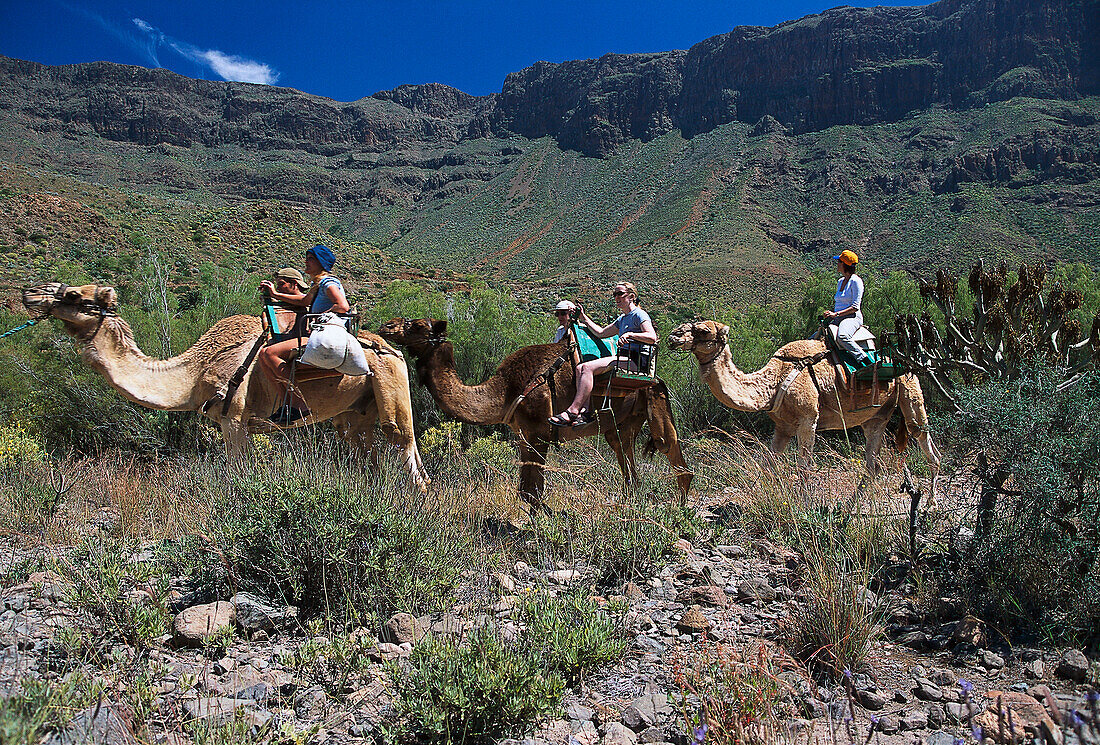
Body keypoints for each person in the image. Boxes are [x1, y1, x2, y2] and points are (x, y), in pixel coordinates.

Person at [257, 244, 350, 424]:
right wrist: (275, 294)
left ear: (320, 262)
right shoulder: (317, 284)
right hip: (319, 333)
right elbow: (303, 300)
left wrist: (319, 318)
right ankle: (287, 404)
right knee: (263, 356)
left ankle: (299, 404)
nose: (306, 262)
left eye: (310, 259)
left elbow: (343, 306)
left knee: (270, 353)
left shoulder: (328, 283)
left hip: (325, 334)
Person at [548, 282, 657, 428]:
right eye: (615, 294)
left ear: (631, 296)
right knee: (581, 367)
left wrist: (631, 334)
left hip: (636, 361)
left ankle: (573, 411)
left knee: (586, 368)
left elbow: (652, 337)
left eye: (620, 294)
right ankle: (585, 411)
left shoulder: (639, 314)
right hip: (624, 358)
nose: (616, 297)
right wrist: (583, 317)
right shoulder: (622, 319)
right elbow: (601, 333)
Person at [822, 249, 869, 366]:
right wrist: (831, 313)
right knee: (816, 336)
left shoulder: (856, 281)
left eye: (839, 262)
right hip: (838, 318)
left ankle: (864, 359)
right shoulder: (840, 281)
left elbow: (855, 307)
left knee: (842, 336)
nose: (837, 264)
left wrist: (835, 314)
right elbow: (839, 303)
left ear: (844, 264)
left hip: (851, 318)